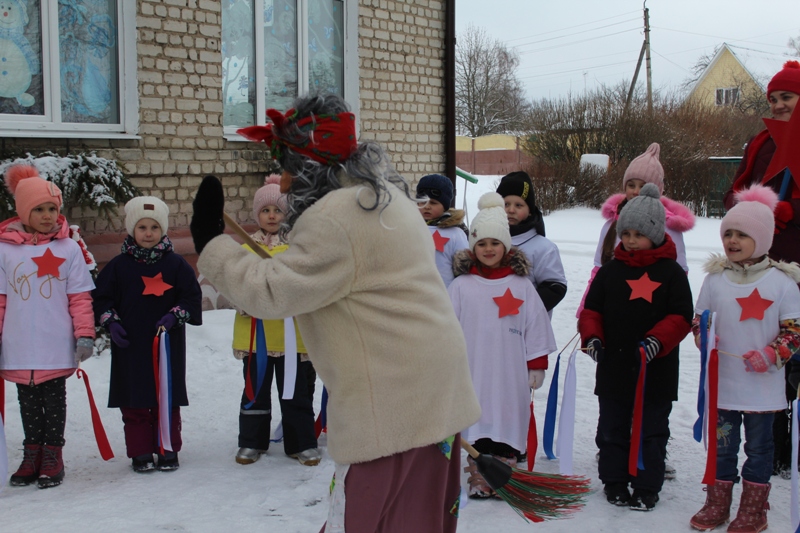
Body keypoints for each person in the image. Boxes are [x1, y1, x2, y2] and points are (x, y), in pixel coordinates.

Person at [191, 94, 480, 533]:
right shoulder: (385, 198)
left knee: (371, 518)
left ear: (310, 167)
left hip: (393, 404)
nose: (283, 184)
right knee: (418, 516)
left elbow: (270, 292)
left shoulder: (336, 218)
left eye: (288, 168)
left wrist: (210, 242)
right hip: (432, 388)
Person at [690, 185, 800, 532]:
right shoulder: (715, 279)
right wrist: (704, 336)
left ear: (763, 238)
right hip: (724, 386)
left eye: (742, 234)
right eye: (728, 234)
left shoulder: (782, 283)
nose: (732, 241)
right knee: (723, 448)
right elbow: (699, 319)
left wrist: (771, 353)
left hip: (762, 392)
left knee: (759, 450)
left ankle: (753, 509)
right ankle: (717, 503)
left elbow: (795, 331)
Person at [578, 183, 693, 511]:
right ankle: (614, 481)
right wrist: (593, 337)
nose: (629, 240)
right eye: (625, 233)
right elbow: (592, 310)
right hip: (614, 365)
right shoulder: (610, 271)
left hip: (655, 368)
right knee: (611, 427)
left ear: (655, 234)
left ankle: (646, 486)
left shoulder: (672, 273)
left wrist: (658, 340)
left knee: (652, 429)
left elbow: (681, 315)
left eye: (638, 234)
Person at [448, 192, 555, 498]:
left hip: (510, 372)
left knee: (507, 417)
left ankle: (505, 469)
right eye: (481, 243)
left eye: (495, 242)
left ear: (506, 246)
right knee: (477, 419)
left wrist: (536, 364)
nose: (488, 249)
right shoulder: (460, 286)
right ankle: (480, 473)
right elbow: (445, 329)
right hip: (472, 370)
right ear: (473, 247)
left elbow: (536, 326)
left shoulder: (521, 286)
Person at [723, 60, 800, 480]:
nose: (779, 104)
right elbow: (737, 189)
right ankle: (775, 442)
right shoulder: (762, 142)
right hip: (765, 266)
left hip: (797, 263)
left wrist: (793, 210)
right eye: (773, 98)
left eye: (787, 97)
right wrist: (749, 210)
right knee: (771, 349)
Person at [0, 165, 95, 489]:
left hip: (54, 343)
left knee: (54, 401)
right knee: (27, 402)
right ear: (23, 211)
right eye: (39, 209)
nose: (47, 216)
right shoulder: (5, 249)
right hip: (18, 345)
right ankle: (32, 454)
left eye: (52, 209)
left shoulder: (68, 248)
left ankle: (53, 454)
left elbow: (79, 297)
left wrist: (85, 334)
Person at [92, 196, 202, 473]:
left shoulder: (176, 265)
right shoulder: (118, 266)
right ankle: (140, 451)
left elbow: (191, 297)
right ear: (132, 229)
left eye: (154, 227)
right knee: (135, 398)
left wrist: (175, 315)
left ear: (162, 230)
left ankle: (167, 448)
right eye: (142, 227)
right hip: (130, 345)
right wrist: (111, 323)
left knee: (166, 396)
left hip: (167, 344)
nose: (149, 233)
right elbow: (101, 299)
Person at [231, 175, 320, 466]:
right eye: (265, 210)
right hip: (256, 337)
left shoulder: (299, 249)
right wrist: (247, 301)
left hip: (293, 338)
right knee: (254, 391)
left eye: (278, 210)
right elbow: (234, 286)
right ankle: (251, 442)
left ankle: (301, 443)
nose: (271, 216)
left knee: (296, 392)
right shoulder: (245, 249)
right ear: (257, 214)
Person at [577, 142, 695, 318]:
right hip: (614, 308)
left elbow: (679, 276)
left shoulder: (668, 226)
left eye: (643, 186)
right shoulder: (611, 224)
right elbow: (598, 271)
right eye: (631, 185)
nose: (636, 191)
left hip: (652, 310)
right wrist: (585, 310)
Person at [495, 171, 567, 313]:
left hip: (525, 321)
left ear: (530, 211)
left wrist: (521, 307)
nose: (511, 210)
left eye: (518, 205)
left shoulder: (543, 248)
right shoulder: (484, 243)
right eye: (506, 204)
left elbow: (555, 287)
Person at [415, 173, 468, 287]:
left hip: (445, 293)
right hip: (413, 293)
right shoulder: (409, 229)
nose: (427, 206)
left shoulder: (455, 233)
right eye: (423, 201)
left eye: (433, 203)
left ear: (445, 206)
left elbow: (464, 268)